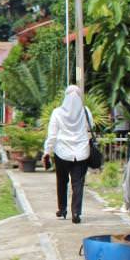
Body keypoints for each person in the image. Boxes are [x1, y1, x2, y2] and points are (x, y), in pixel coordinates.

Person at [43, 84, 95, 224]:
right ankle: (76, 213)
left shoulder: (57, 112)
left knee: (62, 181)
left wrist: (47, 151)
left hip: (62, 153)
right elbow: (92, 126)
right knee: (78, 183)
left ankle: (62, 209)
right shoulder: (85, 111)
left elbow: (52, 135)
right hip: (82, 152)